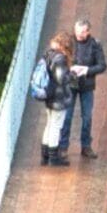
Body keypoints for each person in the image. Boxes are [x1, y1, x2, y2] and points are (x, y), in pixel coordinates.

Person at [61, 16, 107, 161]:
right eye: (77, 32)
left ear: (88, 32)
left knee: (87, 117)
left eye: (81, 32)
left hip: (87, 85)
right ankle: (63, 147)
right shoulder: (68, 42)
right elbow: (59, 60)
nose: (79, 35)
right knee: (67, 116)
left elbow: (102, 65)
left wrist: (86, 70)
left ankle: (86, 146)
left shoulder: (95, 45)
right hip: (71, 83)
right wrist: (70, 69)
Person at [33, 33, 75, 164]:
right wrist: (73, 75)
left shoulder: (48, 53)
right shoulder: (60, 58)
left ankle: (44, 157)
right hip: (58, 97)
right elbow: (61, 78)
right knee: (56, 126)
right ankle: (53, 158)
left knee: (49, 124)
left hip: (49, 95)